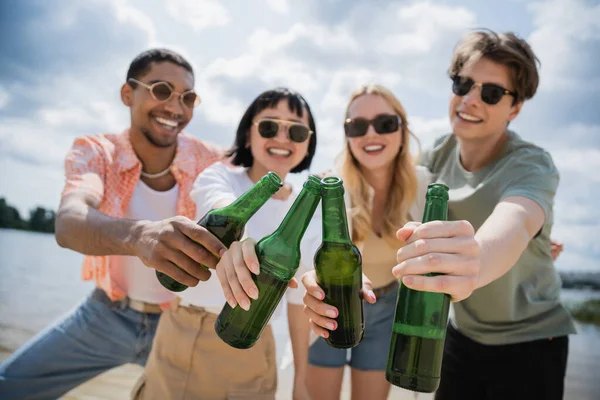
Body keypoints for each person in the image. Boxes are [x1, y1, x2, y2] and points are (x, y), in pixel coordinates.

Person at [303, 29, 575, 400]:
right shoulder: (434, 159)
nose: (470, 100)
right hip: (457, 333)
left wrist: (480, 258)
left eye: (491, 93)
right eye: (462, 84)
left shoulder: (531, 164)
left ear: (515, 108)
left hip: (527, 340)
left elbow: (517, 220)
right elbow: (386, 181)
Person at [0, 48, 225, 400]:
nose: (175, 108)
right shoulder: (96, 152)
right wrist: (139, 234)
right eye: (161, 90)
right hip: (107, 315)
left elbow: (264, 168)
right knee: (10, 386)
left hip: (182, 321)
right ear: (127, 93)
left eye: (188, 98)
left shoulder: (210, 158)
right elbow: (70, 221)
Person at [133, 87, 319, 400]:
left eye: (296, 131)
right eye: (269, 126)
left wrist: (301, 380)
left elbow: (298, 303)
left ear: (307, 144)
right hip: (185, 333)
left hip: (253, 341)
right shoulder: (220, 176)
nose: (283, 138)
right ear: (249, 135)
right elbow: (220, 208)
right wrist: (241, 241)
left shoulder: (308, 211)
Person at [306, 84, 431, 400]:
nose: (371, 134)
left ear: (403, 130)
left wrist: (538, 236)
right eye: (358, 126)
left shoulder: (425, 184)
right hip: (331, 302)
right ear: (347, 136)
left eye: (385, 123)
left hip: (388, 306)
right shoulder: (330, 188)